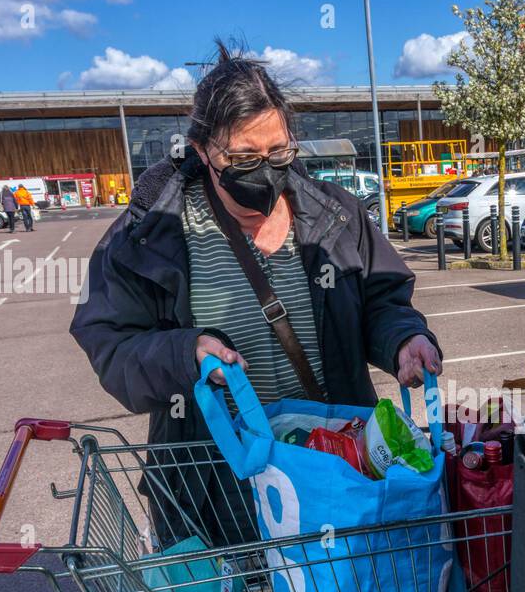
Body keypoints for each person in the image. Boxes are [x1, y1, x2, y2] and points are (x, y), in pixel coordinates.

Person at [71, 42, 442, 547]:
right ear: (202, 151)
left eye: (278, 152)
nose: (265, 172)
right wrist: (186, 352)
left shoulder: (335, 214)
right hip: (217, 486)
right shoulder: (151, 233)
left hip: (332, 470)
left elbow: (382, 300)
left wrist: (403, 340)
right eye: (243, 157)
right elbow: (111, 343)